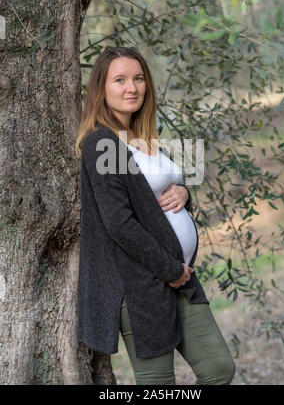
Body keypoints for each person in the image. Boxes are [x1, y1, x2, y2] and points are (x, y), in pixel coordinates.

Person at [75, 46, 236, 385]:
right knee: (158, 384)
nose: (131, 88)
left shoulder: (144, 138)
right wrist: (170, 270)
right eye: (119, 80)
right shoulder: (101, 143)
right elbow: (118, 223)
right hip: (142, 285)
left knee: (219, 369)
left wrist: (185, 193)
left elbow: (157, 197)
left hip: (180, 279)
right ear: (101, 88)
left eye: (138, 78)